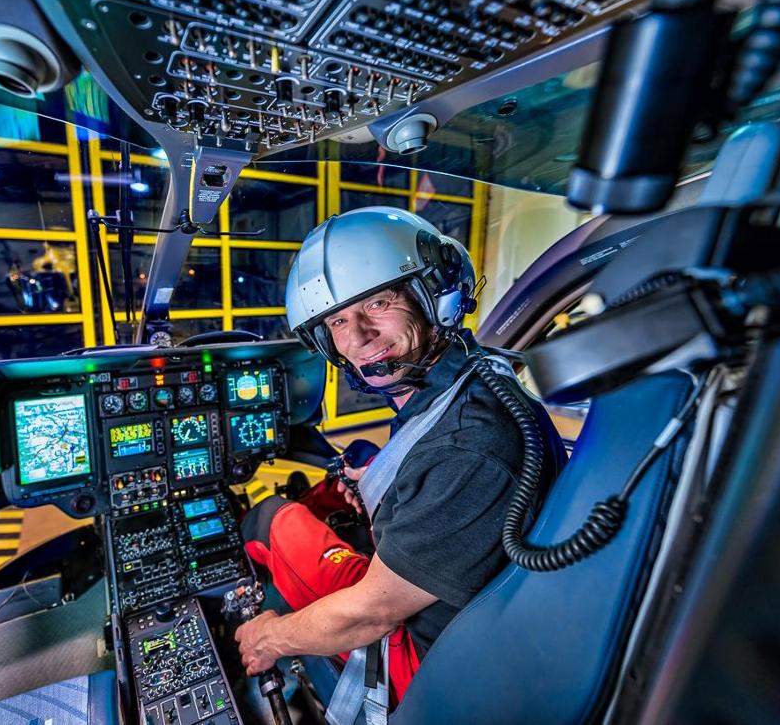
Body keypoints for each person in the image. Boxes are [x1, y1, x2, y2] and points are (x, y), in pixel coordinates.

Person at [235, 206, 567, 705]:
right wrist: (383, 480)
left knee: (273, 518)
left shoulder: (467, 443)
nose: (358, 339)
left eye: (378, 303)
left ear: (433, 296)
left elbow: (371, 613)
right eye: (337, 322)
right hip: (481, 621)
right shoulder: (471, 380)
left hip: (436, 662)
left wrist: (269, 637)